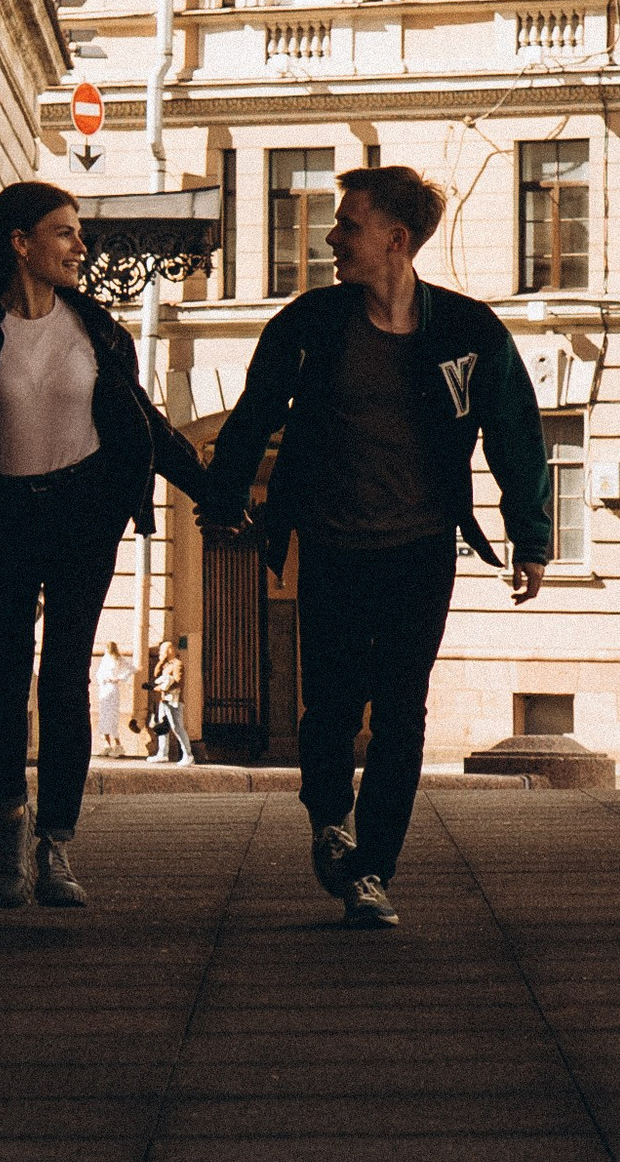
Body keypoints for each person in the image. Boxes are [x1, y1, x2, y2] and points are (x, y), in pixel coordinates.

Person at [201, 164, 549, 930]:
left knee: (401, 711)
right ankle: (331, 817)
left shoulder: (467, 331)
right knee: (327, 707)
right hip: (329, 543)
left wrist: (531, 536)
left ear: (395, 240)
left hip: (421, 550)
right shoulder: (310, 324)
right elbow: (254, 416)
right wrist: (223, 501)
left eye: (347, 224)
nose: (330, 237)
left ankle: (373, 871)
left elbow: (517, 435)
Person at [0, 180, 207, 909]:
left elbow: (146, 426)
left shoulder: (96, 329)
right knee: (4, 675)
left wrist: (212, 488)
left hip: (82, 515)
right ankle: (11, 813)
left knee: (65, 679)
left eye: (78, 232)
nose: (80, 246)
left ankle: (57, 844)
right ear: (20, 243)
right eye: (64, 233)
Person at [147, 633, 191, 764]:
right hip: (164, 700)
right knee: (163, 727)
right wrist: (161, 660)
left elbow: (178, 681)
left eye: (162, 650)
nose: (160, 652)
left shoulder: (178, 664)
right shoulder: (167, 665)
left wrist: (161, 687)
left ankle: (188, 754)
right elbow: (155, 674)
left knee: (177, 727)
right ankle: (162, 753)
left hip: (174, 700)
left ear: (170, 650)